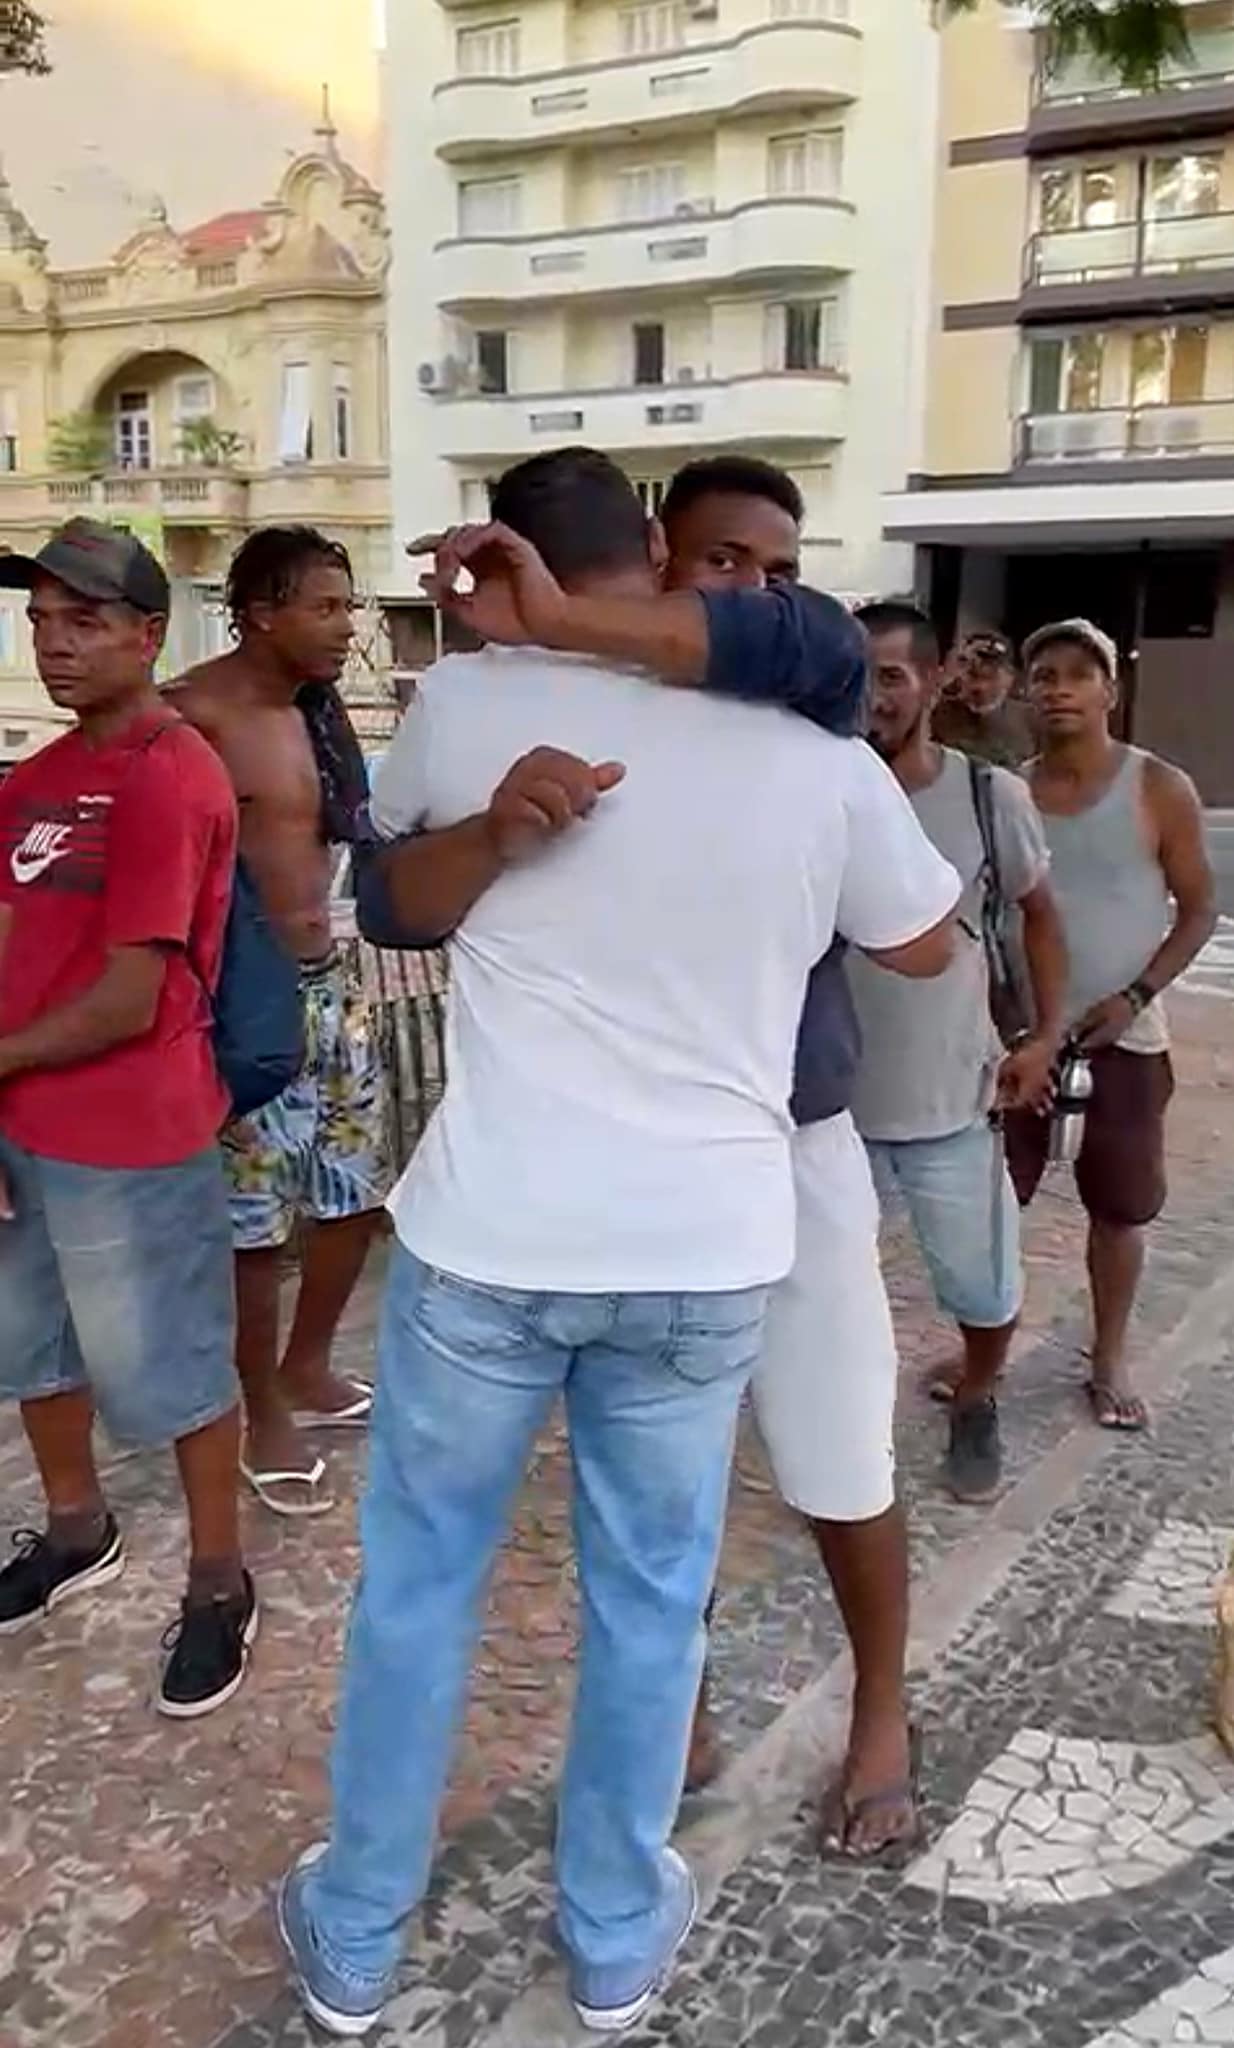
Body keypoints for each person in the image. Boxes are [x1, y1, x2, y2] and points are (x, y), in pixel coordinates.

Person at [277, 450, 959, 2040]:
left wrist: (516, 833)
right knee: (649, 1599)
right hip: (707, 1242)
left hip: (493, 1236)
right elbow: (922, 942)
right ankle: (609, 1940)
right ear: (668, 552)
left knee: (420, 1592)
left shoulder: (468, 703)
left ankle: (360, 1935)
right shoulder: (818, 747)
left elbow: (395, 909)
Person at [646, 456, 939, 1853]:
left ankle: (881, 1706)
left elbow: (922, 939)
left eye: (777, 568)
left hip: (796, 1139)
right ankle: (676, 1688)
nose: (754, 594)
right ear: (658, 563)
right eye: (720, 564)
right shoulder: (617, 727)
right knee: (664, 1463)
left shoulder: (821, 754)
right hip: (646, 1154)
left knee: (837, 1450)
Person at [0, 519, 255, 1717]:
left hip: (129, 1125)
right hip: (19, 1115)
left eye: (83, 620)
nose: (54, 643)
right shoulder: (36, 780)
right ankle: (74, 1526)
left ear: (149, 635)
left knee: (172, 1366)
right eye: (41, 619)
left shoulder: (169, 771)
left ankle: (217, 1577)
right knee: (29, 1345)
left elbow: (128, 994)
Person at [168, 529, 390, 1517]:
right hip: (241, 1000)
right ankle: (260, 1406)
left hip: (333, 978)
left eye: (351, 606)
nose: (348, 627)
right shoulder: (193, 717)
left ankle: (307, 1364)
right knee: (252, 1227)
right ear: (260, 609)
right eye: (327, 606)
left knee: (353, 1192)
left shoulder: (318, 713)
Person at [848, 600, 1068, 1504]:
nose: (872, 697)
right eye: (857, 675)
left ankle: (977, 1396)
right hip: (825, 1112)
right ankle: (845, 1438)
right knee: (822, 1295)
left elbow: (1040, 916)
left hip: (952, 1094)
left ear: (935, 682)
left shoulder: (989, 795)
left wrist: (1045, 1039)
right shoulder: (813, 788)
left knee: (980, 1282)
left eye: (892, 675)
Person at [1004, 619, 1215, 1430]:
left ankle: (1109, 1357)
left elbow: (1198, 911)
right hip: (1023, 1038)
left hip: (1124, 1038)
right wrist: (1015, 1017)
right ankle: (985, 1350)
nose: (1056, 688)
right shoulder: (1010, 794)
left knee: (1120, 1208)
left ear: (1109, 692)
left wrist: (1135, 995)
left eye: (1075, 675)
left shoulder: (1159, 787)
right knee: (994, 1202)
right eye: (1043, 674)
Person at [933, 630, 1035, 769]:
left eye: (990, 677)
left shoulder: (1031, 719)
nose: (980, 687)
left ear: (1010, 677)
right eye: (972, 676)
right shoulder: (936, 715)